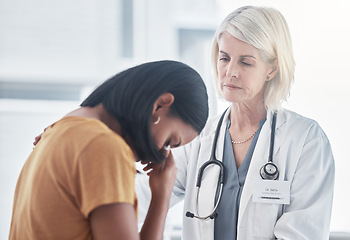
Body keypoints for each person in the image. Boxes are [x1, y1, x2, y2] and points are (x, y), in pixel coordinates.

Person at [136, 6, 335, 240]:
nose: (230, 72)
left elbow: (302, 233)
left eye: (246, 62)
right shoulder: (199, 139)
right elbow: (138, 199)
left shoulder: (305, 141)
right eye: (224, 58)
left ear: (272, 69)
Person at [9, 60, 209, 240]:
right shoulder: (104, 146)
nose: (162, 153)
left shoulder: (64, 127)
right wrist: (162, 197)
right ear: (160, 105)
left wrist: (160, 195)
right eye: (169, 142)